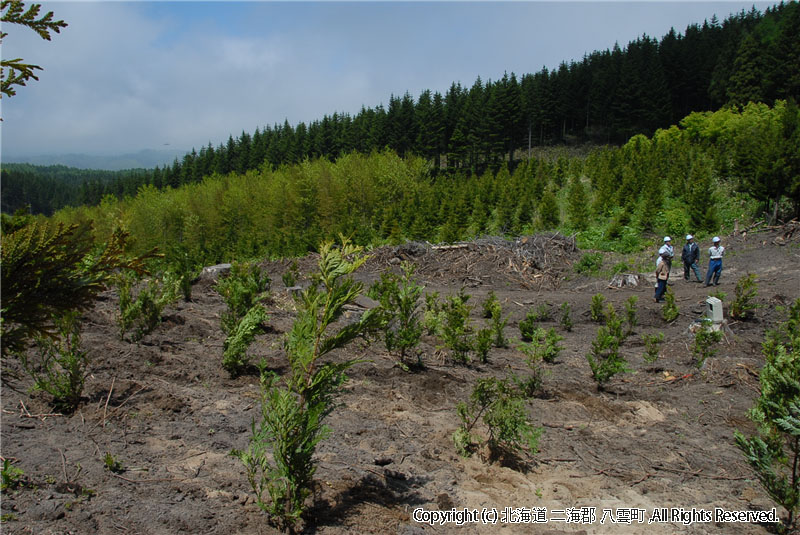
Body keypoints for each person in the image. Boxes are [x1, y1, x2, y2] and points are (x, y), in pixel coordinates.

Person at [654, 237, 673, 302]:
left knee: (663, 286)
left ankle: (663, 296)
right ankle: (657, 297)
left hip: (664, 276)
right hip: (661, 276)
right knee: (660, 286)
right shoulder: (661, 261)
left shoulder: (665, 261)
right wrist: (658, 276)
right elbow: (658, 270)